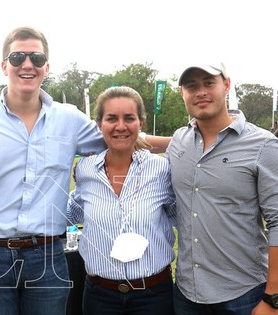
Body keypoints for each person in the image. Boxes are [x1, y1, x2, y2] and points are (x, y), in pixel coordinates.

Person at [0, 26, 171, 315]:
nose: (27, 64)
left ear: (46, 67)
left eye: (36, 58)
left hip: (46, 257)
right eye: (17, 56)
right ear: (3, 66)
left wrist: (182, 142)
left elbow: (119, 135)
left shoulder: (69, 119)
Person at [167, 62, 278, 314]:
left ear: (227, 85)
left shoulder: (264, 146)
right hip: (186, 292)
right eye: (192, 85)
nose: (201, 92)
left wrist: (274, 298)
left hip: (243, 294)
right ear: (182, 92)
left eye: (209, 83)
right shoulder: (178, 142)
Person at [67, 86, 176, 315]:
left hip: (153, 296)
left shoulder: (161, 169)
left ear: (141, 123)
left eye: (129, 118)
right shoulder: (86, 170)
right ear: (99, 124)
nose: (120, 126)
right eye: (111, 118)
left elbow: (182, 216)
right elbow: (74, 214)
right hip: (100, 297)